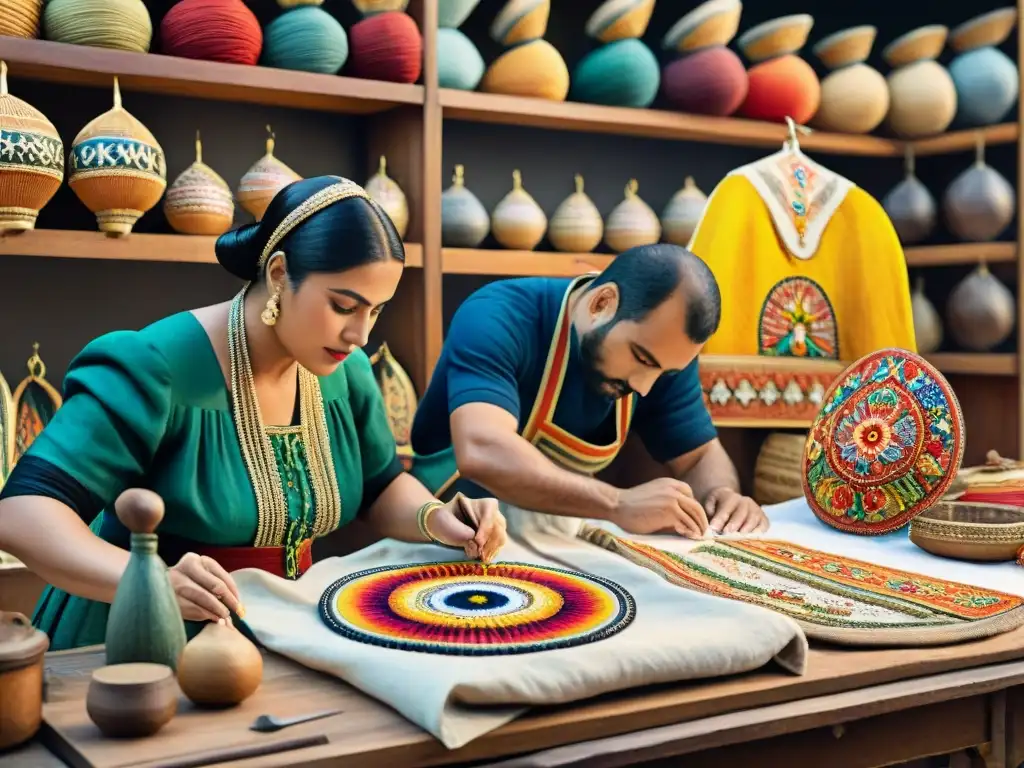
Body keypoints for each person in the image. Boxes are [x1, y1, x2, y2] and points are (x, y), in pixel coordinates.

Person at [0, 176, 507, 651]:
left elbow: (380, 486)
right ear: (279, 273)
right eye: (343, 306)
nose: (361, 335)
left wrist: (437, 518)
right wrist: (153, 580)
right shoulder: (155, 366)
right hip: (141, 635)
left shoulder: (344, 370)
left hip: (285, 629)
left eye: (375, 310)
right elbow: (21, 512)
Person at [410, 243, 768, 539]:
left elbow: (700, 456)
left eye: (665, 371)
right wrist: (617, 504)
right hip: (448, 535)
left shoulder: (661, 351)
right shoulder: (498, 315)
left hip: (556, 538)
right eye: (641, 358)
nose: (644, 386)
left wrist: (722, 497)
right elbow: (482, 449)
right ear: (601, 303)